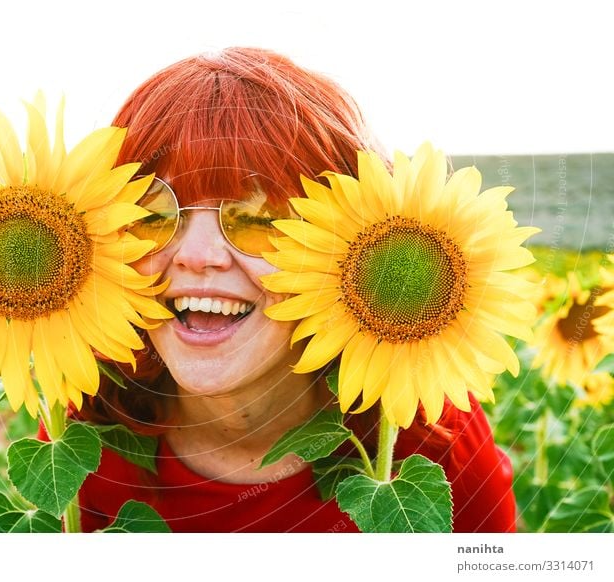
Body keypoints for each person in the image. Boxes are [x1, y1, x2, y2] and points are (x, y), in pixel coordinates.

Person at [58, 47, 517, 532]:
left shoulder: (424, 438)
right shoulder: (86, 434)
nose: (197, 254)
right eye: (153, 212)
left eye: (258, 217)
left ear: (351, 251)